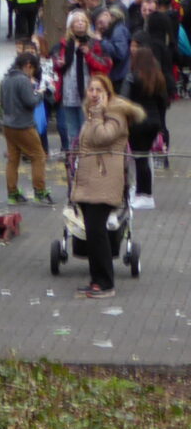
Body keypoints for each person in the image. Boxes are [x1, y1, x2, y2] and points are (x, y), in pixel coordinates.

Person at [71, 75, 140, 299]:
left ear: (108, 93)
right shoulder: (93, 114)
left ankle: (106, 283)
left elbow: (102, 138)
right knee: (92, 232)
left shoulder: (115, 114)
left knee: (97, 231)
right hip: (89, 180)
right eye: (91, 89)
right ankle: (96, 280)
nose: (93, 94)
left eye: (98, 90)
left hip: (104, 180)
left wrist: (98, 114)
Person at [51, 11, 111, 152]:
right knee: (72, 130)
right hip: (68, 92)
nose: (79, 23)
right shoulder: (64, 44)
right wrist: (59, 63)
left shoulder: (94, 43)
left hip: (89, 92)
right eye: (76, 21)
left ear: (87, 24)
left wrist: (88, 54)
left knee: (87, 127)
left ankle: (87, 156)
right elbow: (53, 64)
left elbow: (105, 66)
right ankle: (74, 157)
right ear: (71, 26)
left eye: (82, 21)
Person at [0, 50, 52, 205]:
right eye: (33, 69)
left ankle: (12, 193)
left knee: (13, 159)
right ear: (28, 65)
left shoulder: (6, 79)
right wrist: (40, 93)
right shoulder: (23, 80)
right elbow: (31, 102)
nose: (32, 73)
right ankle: (40, 191)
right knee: (38, 156)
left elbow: (2, 103)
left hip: (8, 125)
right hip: (23, 126)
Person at [125, 45, 169, 209]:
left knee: (139, 159)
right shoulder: (158, 78)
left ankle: (143, 194)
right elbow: (163, 102)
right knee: (144, 157)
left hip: (137, 122)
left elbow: (124, 98)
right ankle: (144, 194)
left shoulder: (133, 78)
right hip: (154, 122)